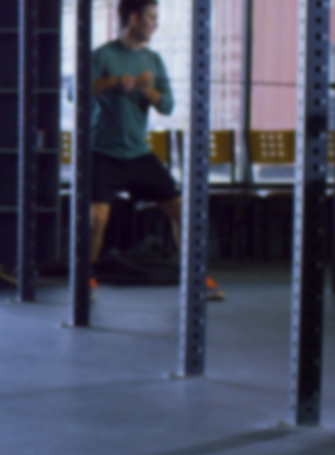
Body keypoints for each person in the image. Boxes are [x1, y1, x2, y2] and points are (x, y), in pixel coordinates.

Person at [89, 0, 223, 300]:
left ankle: (195, 277)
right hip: (103, 153)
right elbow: (78, 91)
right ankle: (86, 281)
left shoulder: (153, 60)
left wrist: (146, 89)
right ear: (134, 19)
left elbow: (167, 106)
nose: (155, 24)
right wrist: (114, 82)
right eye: (152, 18)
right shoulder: (103, 55)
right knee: (96, 218)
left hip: (138, 154)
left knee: (181, 210)